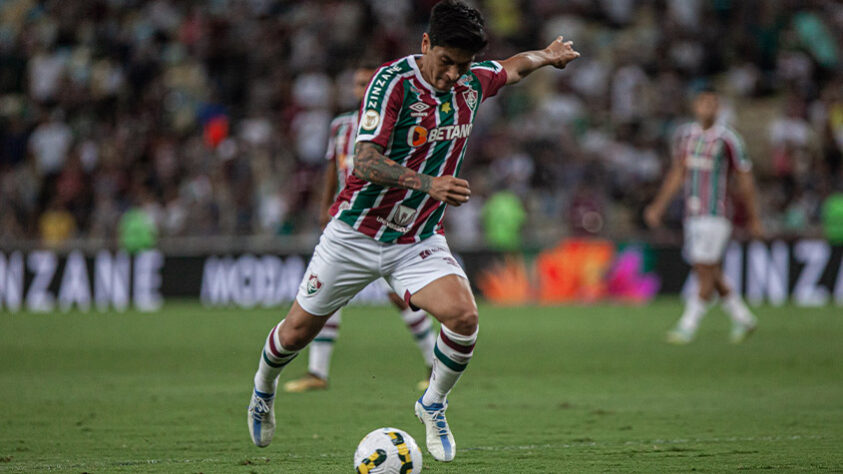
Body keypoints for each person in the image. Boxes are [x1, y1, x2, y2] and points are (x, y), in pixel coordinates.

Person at [247, 0, 580, 462]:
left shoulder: (469, 82)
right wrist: (430, 184)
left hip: (415, 240)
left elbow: (509, 68)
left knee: (464, 318)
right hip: (355, 234)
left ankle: (433, 403)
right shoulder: (392, 84)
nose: (452, 76)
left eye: (462, 66)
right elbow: (363, 160)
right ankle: (264, 388)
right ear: (425, 44)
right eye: (445, 62)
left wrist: (546, 55)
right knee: (296, 333)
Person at [282, 62, 437, 394]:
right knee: (328, 295)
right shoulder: (340, 127)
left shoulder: (397, 122)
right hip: (347, 223)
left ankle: (434, 363)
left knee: (400, 297)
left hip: (385, 221)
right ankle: (317, 373)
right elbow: (331, 168)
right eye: (357, 83)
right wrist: (325, 205)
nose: (362, 89)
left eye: (368, 82)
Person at [644, 86, 762, 345]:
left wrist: (754, 217)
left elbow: (745, 179)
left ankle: (688, 324)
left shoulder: (728, 139)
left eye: (712, 103)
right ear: (695, 106)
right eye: (703, 103)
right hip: (693, 213)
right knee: (709, 268)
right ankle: (743, 318)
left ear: (718, 107)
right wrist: (659, 206)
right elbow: (678, 173)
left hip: (716, 213)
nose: (707, 108)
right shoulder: (686, 136)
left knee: (703, 269)